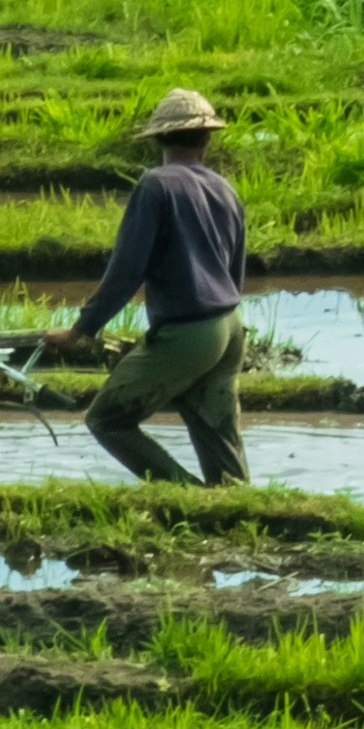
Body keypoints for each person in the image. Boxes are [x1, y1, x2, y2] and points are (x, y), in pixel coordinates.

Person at [55, 87, 253, 484]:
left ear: (158, 139)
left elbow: (126, 270)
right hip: (230, 327)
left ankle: (185, 497)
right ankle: (236, 511)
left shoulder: (155, 186)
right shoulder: (225, 189)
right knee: (218, 436)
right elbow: (235, 268)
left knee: (107, 418)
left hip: (189, 333)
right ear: (207, 138)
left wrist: (82, 329)